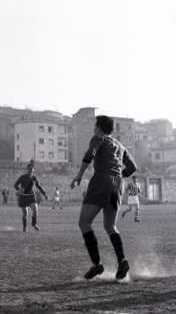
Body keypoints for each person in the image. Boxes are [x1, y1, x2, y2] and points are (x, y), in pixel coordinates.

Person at [71, 115, 136, 281]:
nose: (94, 128)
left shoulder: (98, 138)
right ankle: (123, 261)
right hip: (118, 184)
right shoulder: (120, 145)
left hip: (101, 181)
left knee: (84, 223)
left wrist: (79, 175)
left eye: (95, 126)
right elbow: (132, 167)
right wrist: (119, 175)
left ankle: (97, 264)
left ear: (99, 127)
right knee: (110, 226)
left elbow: (90, 154)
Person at [14, 163, 48, 231]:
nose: (30, 170)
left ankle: (34, 224)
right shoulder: (22, 177)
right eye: (29, 169)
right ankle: (25, 227)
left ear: (33, 170)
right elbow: (15, 185)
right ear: (27, 170)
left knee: (35, 210)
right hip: (23, 197)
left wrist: (44, 194)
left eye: (31, 169)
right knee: (25, 213)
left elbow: (38, 186)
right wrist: (19, 189)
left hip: (31, 196)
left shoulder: (34, 178)